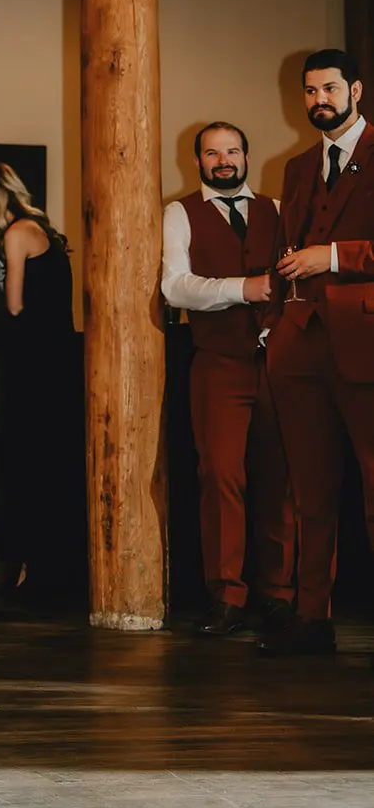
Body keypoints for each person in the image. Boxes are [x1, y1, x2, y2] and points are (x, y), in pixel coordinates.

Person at [161, 123, 295, 637]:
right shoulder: (180, 212)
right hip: (217, 363)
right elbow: (175, 287)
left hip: (279, 364)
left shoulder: (277, 209)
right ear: (197, 161)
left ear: (245, 155)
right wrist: (246, 288)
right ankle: (227, 595)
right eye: (212, 152)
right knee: (220, 476)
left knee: (279, 477)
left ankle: (278, 594)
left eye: (232, 150)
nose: (224, 160)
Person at [261, 49, 374, 657]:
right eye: (309, 91)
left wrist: (331, 256)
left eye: (329, 88)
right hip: (298, 344)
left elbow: (322, 251)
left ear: (355, 89)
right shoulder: (299, 166)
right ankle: (312, 618)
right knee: (308, 490)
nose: (318, 100)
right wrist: (274, 325)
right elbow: (285, 250)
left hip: (364, 341)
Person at [0, 161, 79, 597]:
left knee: (28, 464)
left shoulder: (15, 234)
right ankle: (41, 565)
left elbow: (12, 307)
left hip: (33, 365)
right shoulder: (37, 229)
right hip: (55, 360)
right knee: (45, 464)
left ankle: (35, 569)